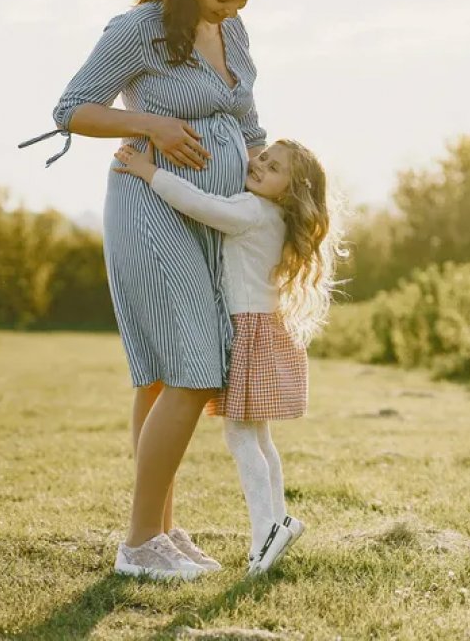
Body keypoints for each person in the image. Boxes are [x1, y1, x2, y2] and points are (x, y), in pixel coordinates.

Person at [23, 0, 267, 580]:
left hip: (210, 219)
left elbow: (247, 123)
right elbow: (72, 108)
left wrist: (276, 192)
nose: (231, 11)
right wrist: (152, 124)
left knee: (161, 374)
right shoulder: (140, 28)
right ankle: (137, 545)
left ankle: (160, 529)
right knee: (194, 369)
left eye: (242, 0)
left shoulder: (234, 32)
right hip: (150, 207)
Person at [114, 138, 337, 574]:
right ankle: (278, 521)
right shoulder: (274, 215)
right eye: (264, 157)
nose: (260, 164)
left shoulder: (251, 211)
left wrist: (148, 171)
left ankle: (265, 532)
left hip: (246, 333)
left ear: (290, 191)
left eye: (274, 168)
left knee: (240, 437)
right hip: (265, 329)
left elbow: (198, 204)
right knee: (260, 438)